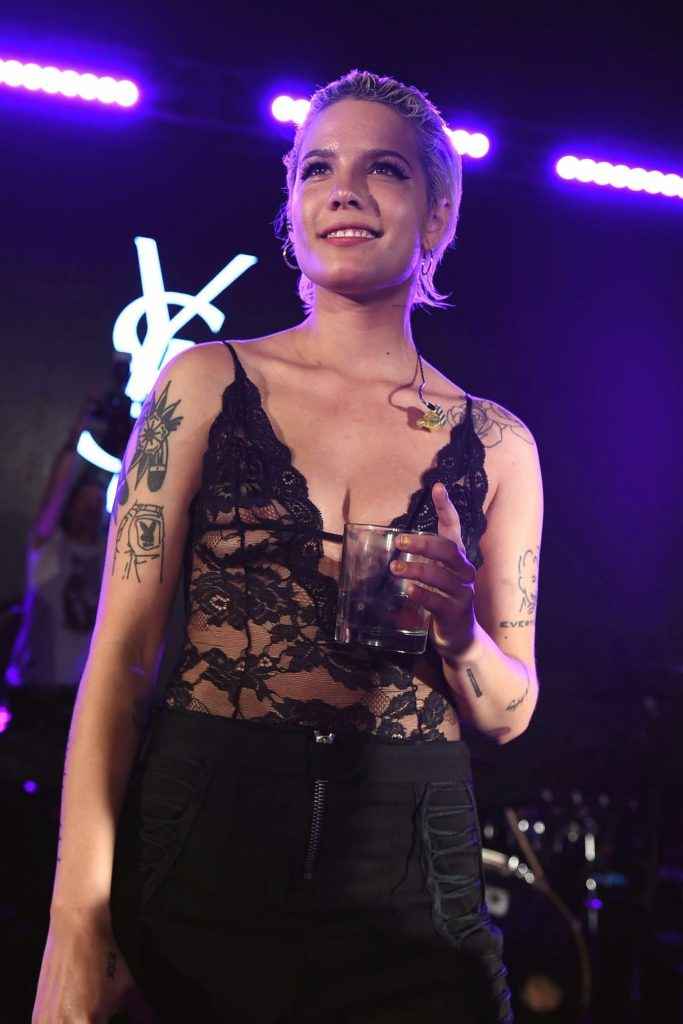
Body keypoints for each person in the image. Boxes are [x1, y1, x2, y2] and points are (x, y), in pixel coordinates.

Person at [32, 69, 544, 1023]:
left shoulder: (498, 444)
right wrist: (74, 922)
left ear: (437, 215)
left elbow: (510, 710)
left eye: (383, 169)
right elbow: (119, 661)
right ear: (293, 202)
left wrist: (461, 636)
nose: (343, 190)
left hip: (411, 872)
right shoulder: (200, 383)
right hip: (203, 839)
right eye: (317, 168)